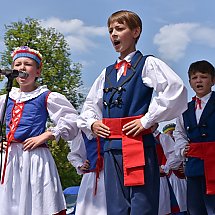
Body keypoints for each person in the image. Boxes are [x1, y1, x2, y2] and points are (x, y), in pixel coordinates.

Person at [77, 10, 187, 215]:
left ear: (136, 32)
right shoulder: (107, 72)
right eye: (110, 30)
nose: (113, 34)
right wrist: (92, 123)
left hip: (137, 145)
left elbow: (176, 90)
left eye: (120, 29)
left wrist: (147, 120)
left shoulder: (147, 64)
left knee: (141, 205)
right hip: (111, 148)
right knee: (116, 207)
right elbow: (90, 105)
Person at [0, 46, 79, 215]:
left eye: (27, 64)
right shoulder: (7, 97)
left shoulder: (46, 96)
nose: (21, 68)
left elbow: (72, 120)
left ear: (37, 71)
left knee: (36, 203)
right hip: (10, 158)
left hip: (34, 157)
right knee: (10, 203)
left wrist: (47, 134)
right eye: (18, 64)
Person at [174, 60, 215, 214]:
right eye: (194, 77)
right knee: (196, 209)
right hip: (194, 167)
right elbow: (179, 133)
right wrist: (182, 148)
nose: (198, 80)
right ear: (190, 82)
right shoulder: (185, 109)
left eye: (203, 76)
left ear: (212, 80)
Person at [67, 131, 107, 215]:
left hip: (112, 175)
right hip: (92, 178)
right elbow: (73, 154)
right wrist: (80, 164)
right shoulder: (83, 130)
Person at [152, 123, 181, 215]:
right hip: (143, 181)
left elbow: (175, 155)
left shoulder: (162, 137)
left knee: (161, 209)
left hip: (159, 180)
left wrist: (164, 168)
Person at [163, 123, 187, 214]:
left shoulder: (182, 145)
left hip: (182, 178)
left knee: (184, 201)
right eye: (170, 133)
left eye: (173, 132)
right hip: (170, 178)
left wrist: (185, 168)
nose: (172, 135)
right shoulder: (165, 144)